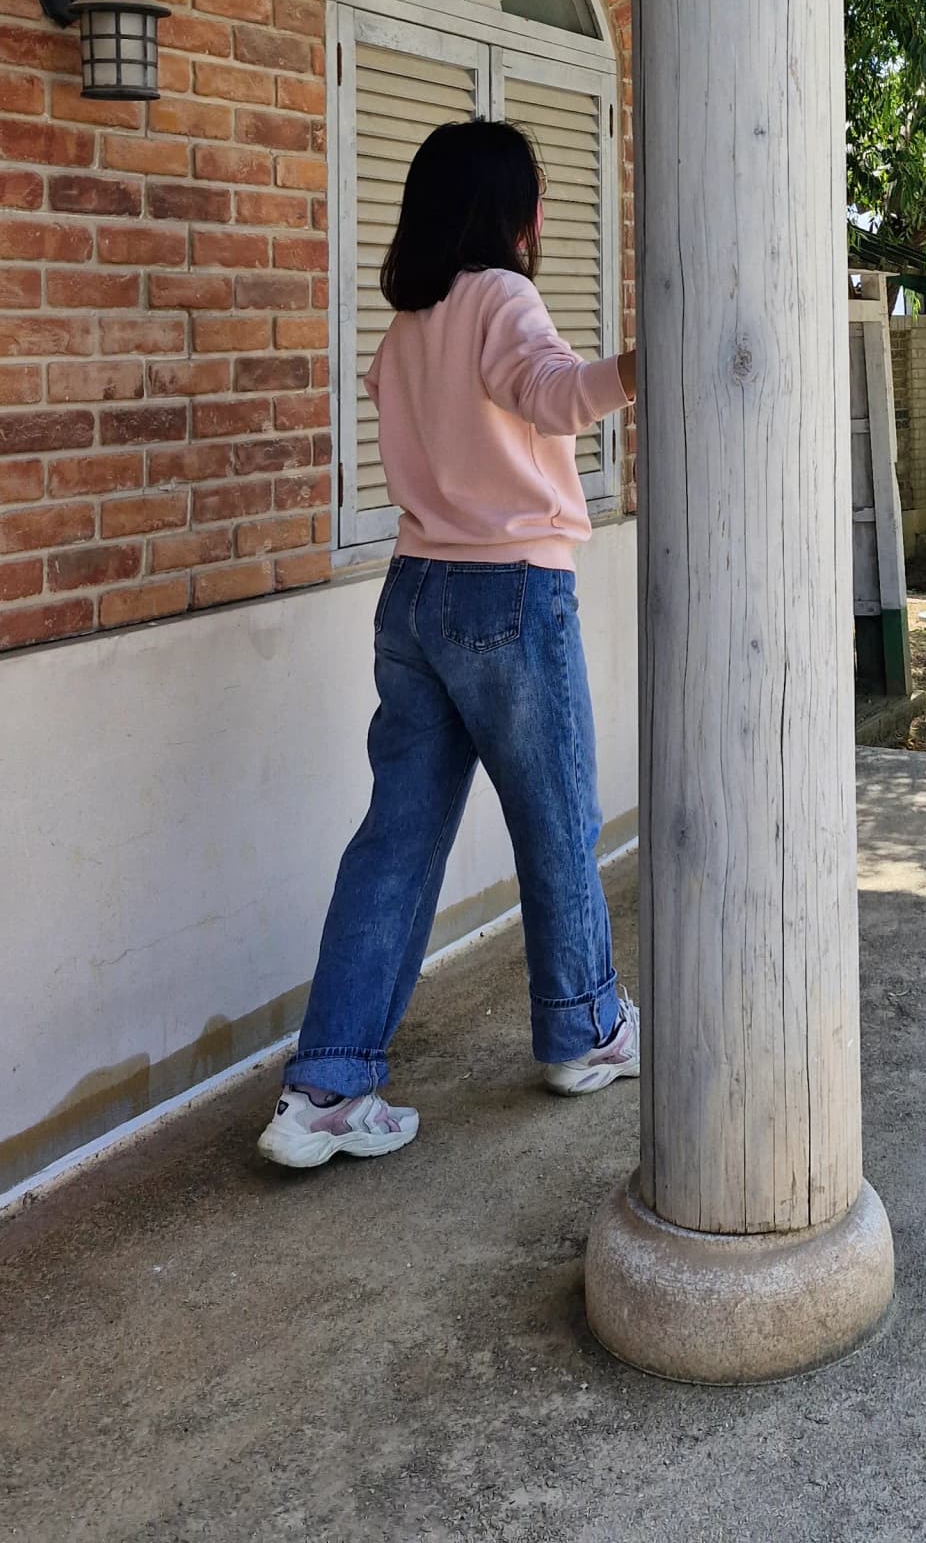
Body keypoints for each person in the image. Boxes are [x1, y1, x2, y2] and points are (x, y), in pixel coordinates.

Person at [258, 118, 638, 1170]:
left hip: (414, 596)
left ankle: (325, 1090)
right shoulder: (502, 297)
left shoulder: (410, 321)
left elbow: (430, 412)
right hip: (509, 593)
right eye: (539, 198)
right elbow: (550, 393)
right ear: (511, 215)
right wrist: (641, 367)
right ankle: (586, 1028)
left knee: (394, 840)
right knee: (557, 816)